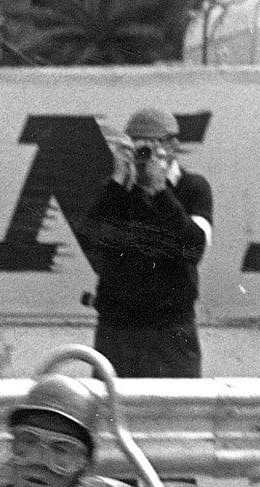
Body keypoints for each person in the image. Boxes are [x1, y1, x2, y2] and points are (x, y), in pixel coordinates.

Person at [81, 106, 213, 378]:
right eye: (138, 147)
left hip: (170, 328)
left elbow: (192, 248)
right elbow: (91, 237)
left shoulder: (192, 188)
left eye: (152, 147)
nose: (144, 156)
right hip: (118, 328)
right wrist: (119, 181)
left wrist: (161, 191)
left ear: (172, 146)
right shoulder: (115, 191)